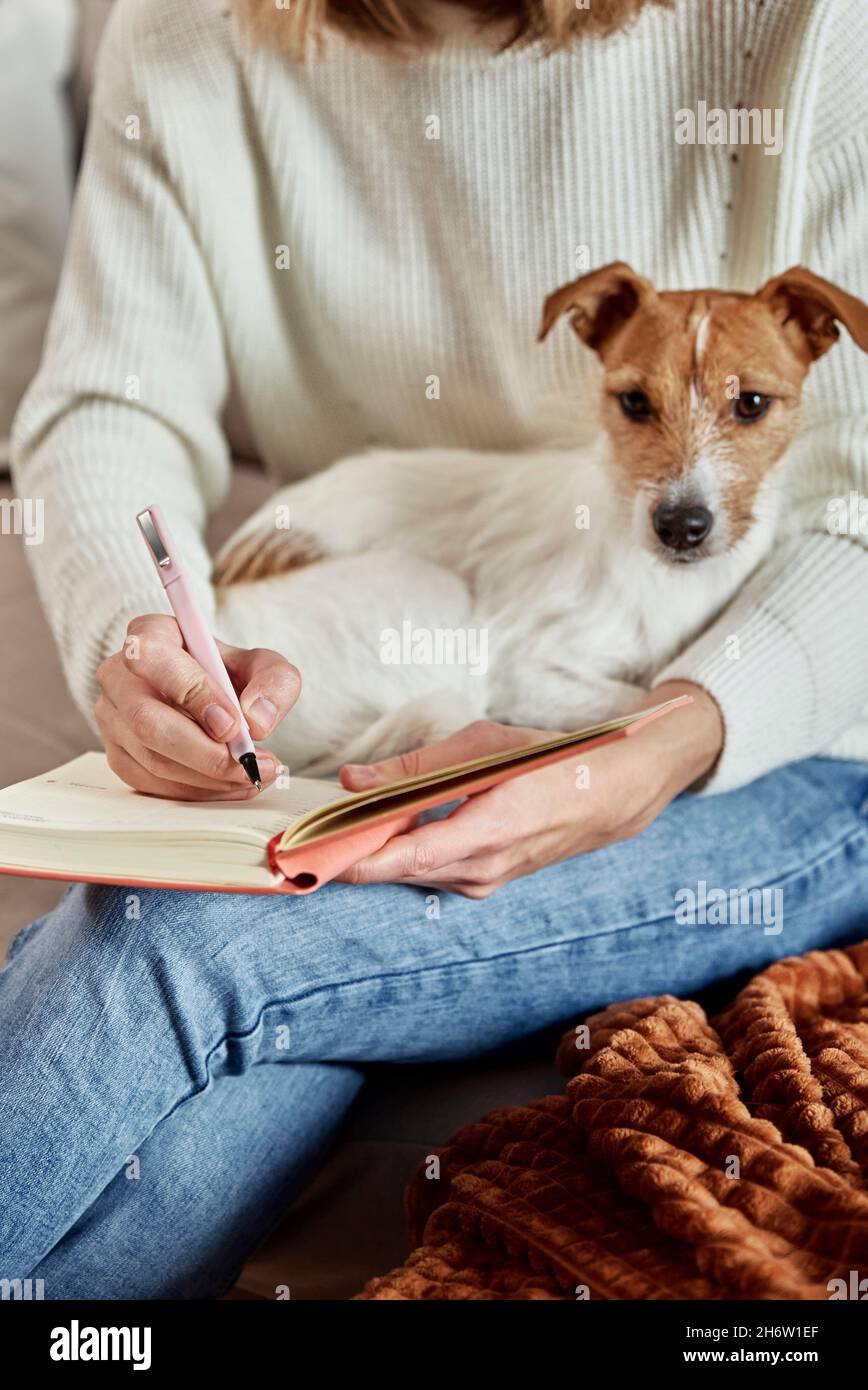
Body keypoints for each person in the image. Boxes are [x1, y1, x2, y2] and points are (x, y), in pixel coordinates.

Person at [3, 0, 868, 1298]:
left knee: (171, 943)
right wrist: (136, 626)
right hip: (385, 662)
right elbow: (110, 397)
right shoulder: (190, 27)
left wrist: (658, 743)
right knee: (241, 1039)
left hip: (792, 753)